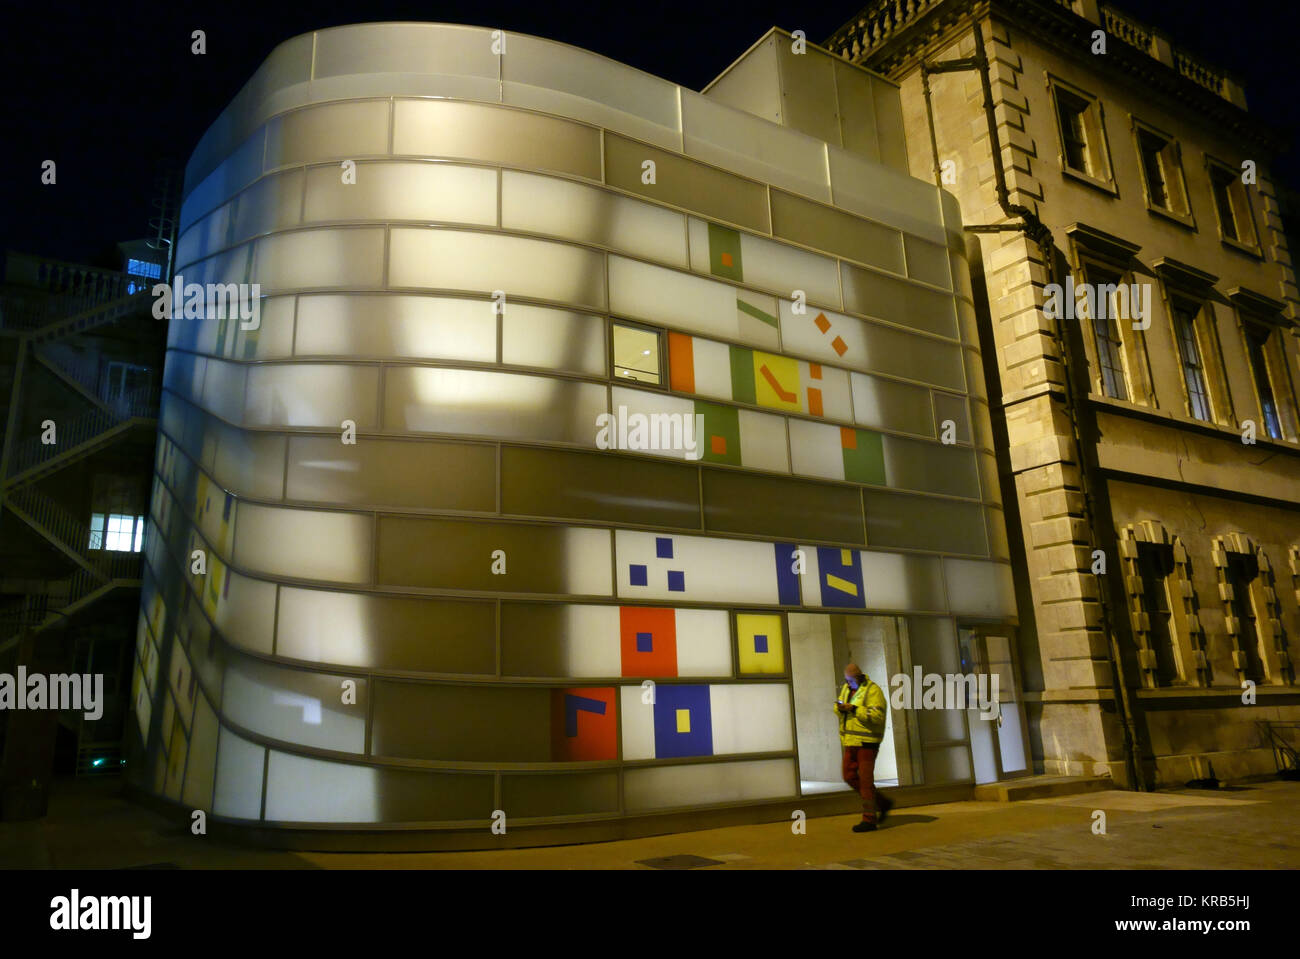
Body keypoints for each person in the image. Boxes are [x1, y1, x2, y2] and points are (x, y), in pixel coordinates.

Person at [836, 663, 894, 832]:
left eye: (850, 680)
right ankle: (881, 802)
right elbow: (838, 707)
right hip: (851, 740)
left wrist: (854, 709)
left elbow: (877, 715)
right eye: (846, 680)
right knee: (848, 776)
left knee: (866, 782)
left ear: (858, 676)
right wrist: (840, 708)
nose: (847, 683)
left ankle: (869, 819)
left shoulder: (873, 690)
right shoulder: (847, 689)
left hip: (867, 743)